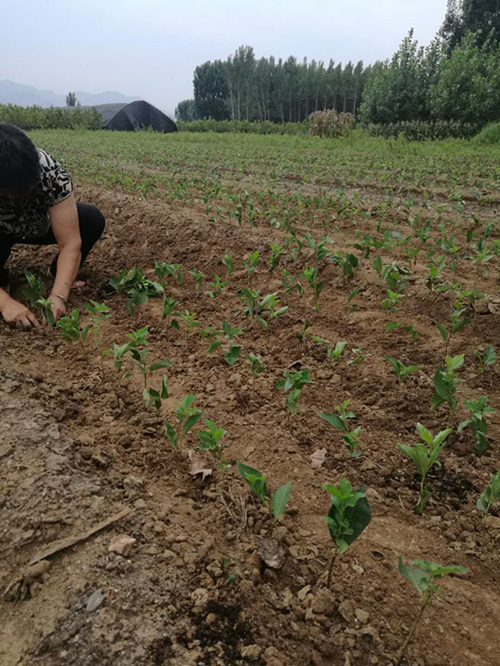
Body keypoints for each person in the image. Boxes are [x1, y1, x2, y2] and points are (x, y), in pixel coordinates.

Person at [0, 123, 105, 329]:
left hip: (37, 224)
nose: (18, 198)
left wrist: (59, 295)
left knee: (91, 218)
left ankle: (58, 273)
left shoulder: (48, 170)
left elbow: (70, 242)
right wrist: (5, 304)